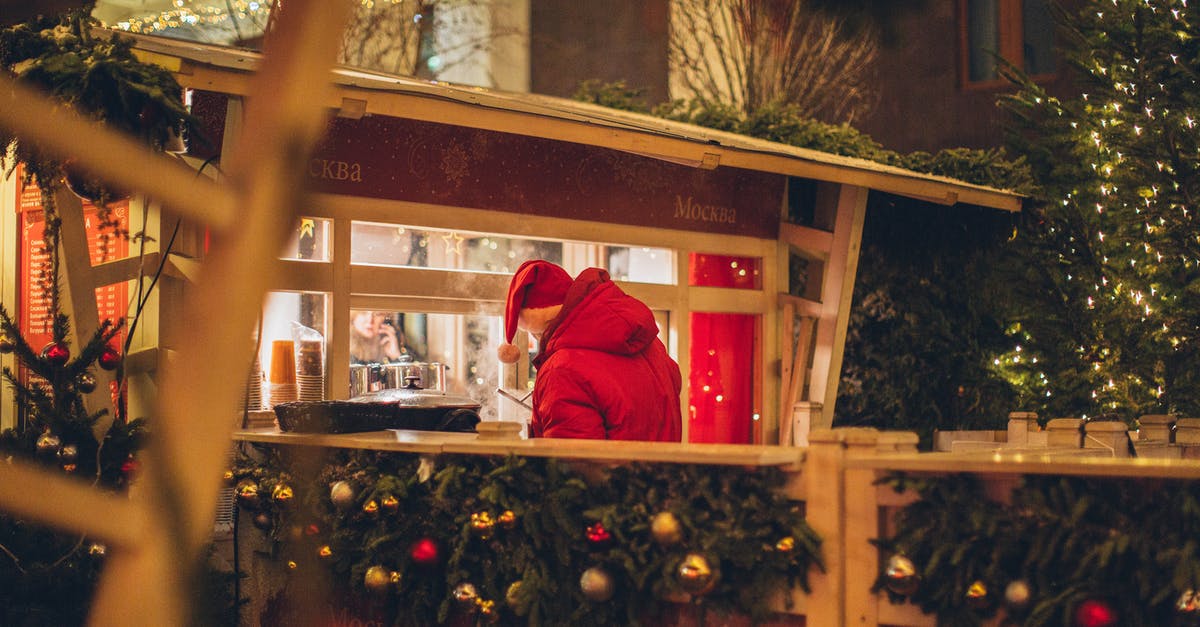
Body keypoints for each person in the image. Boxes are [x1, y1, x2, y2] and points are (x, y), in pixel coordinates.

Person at [496, 260, 682, 441]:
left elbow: (572, 464)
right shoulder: (651, 345)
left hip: (615, 472)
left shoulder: (562, 370)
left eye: (535, 334)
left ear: (545, 326)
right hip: (666, 471)